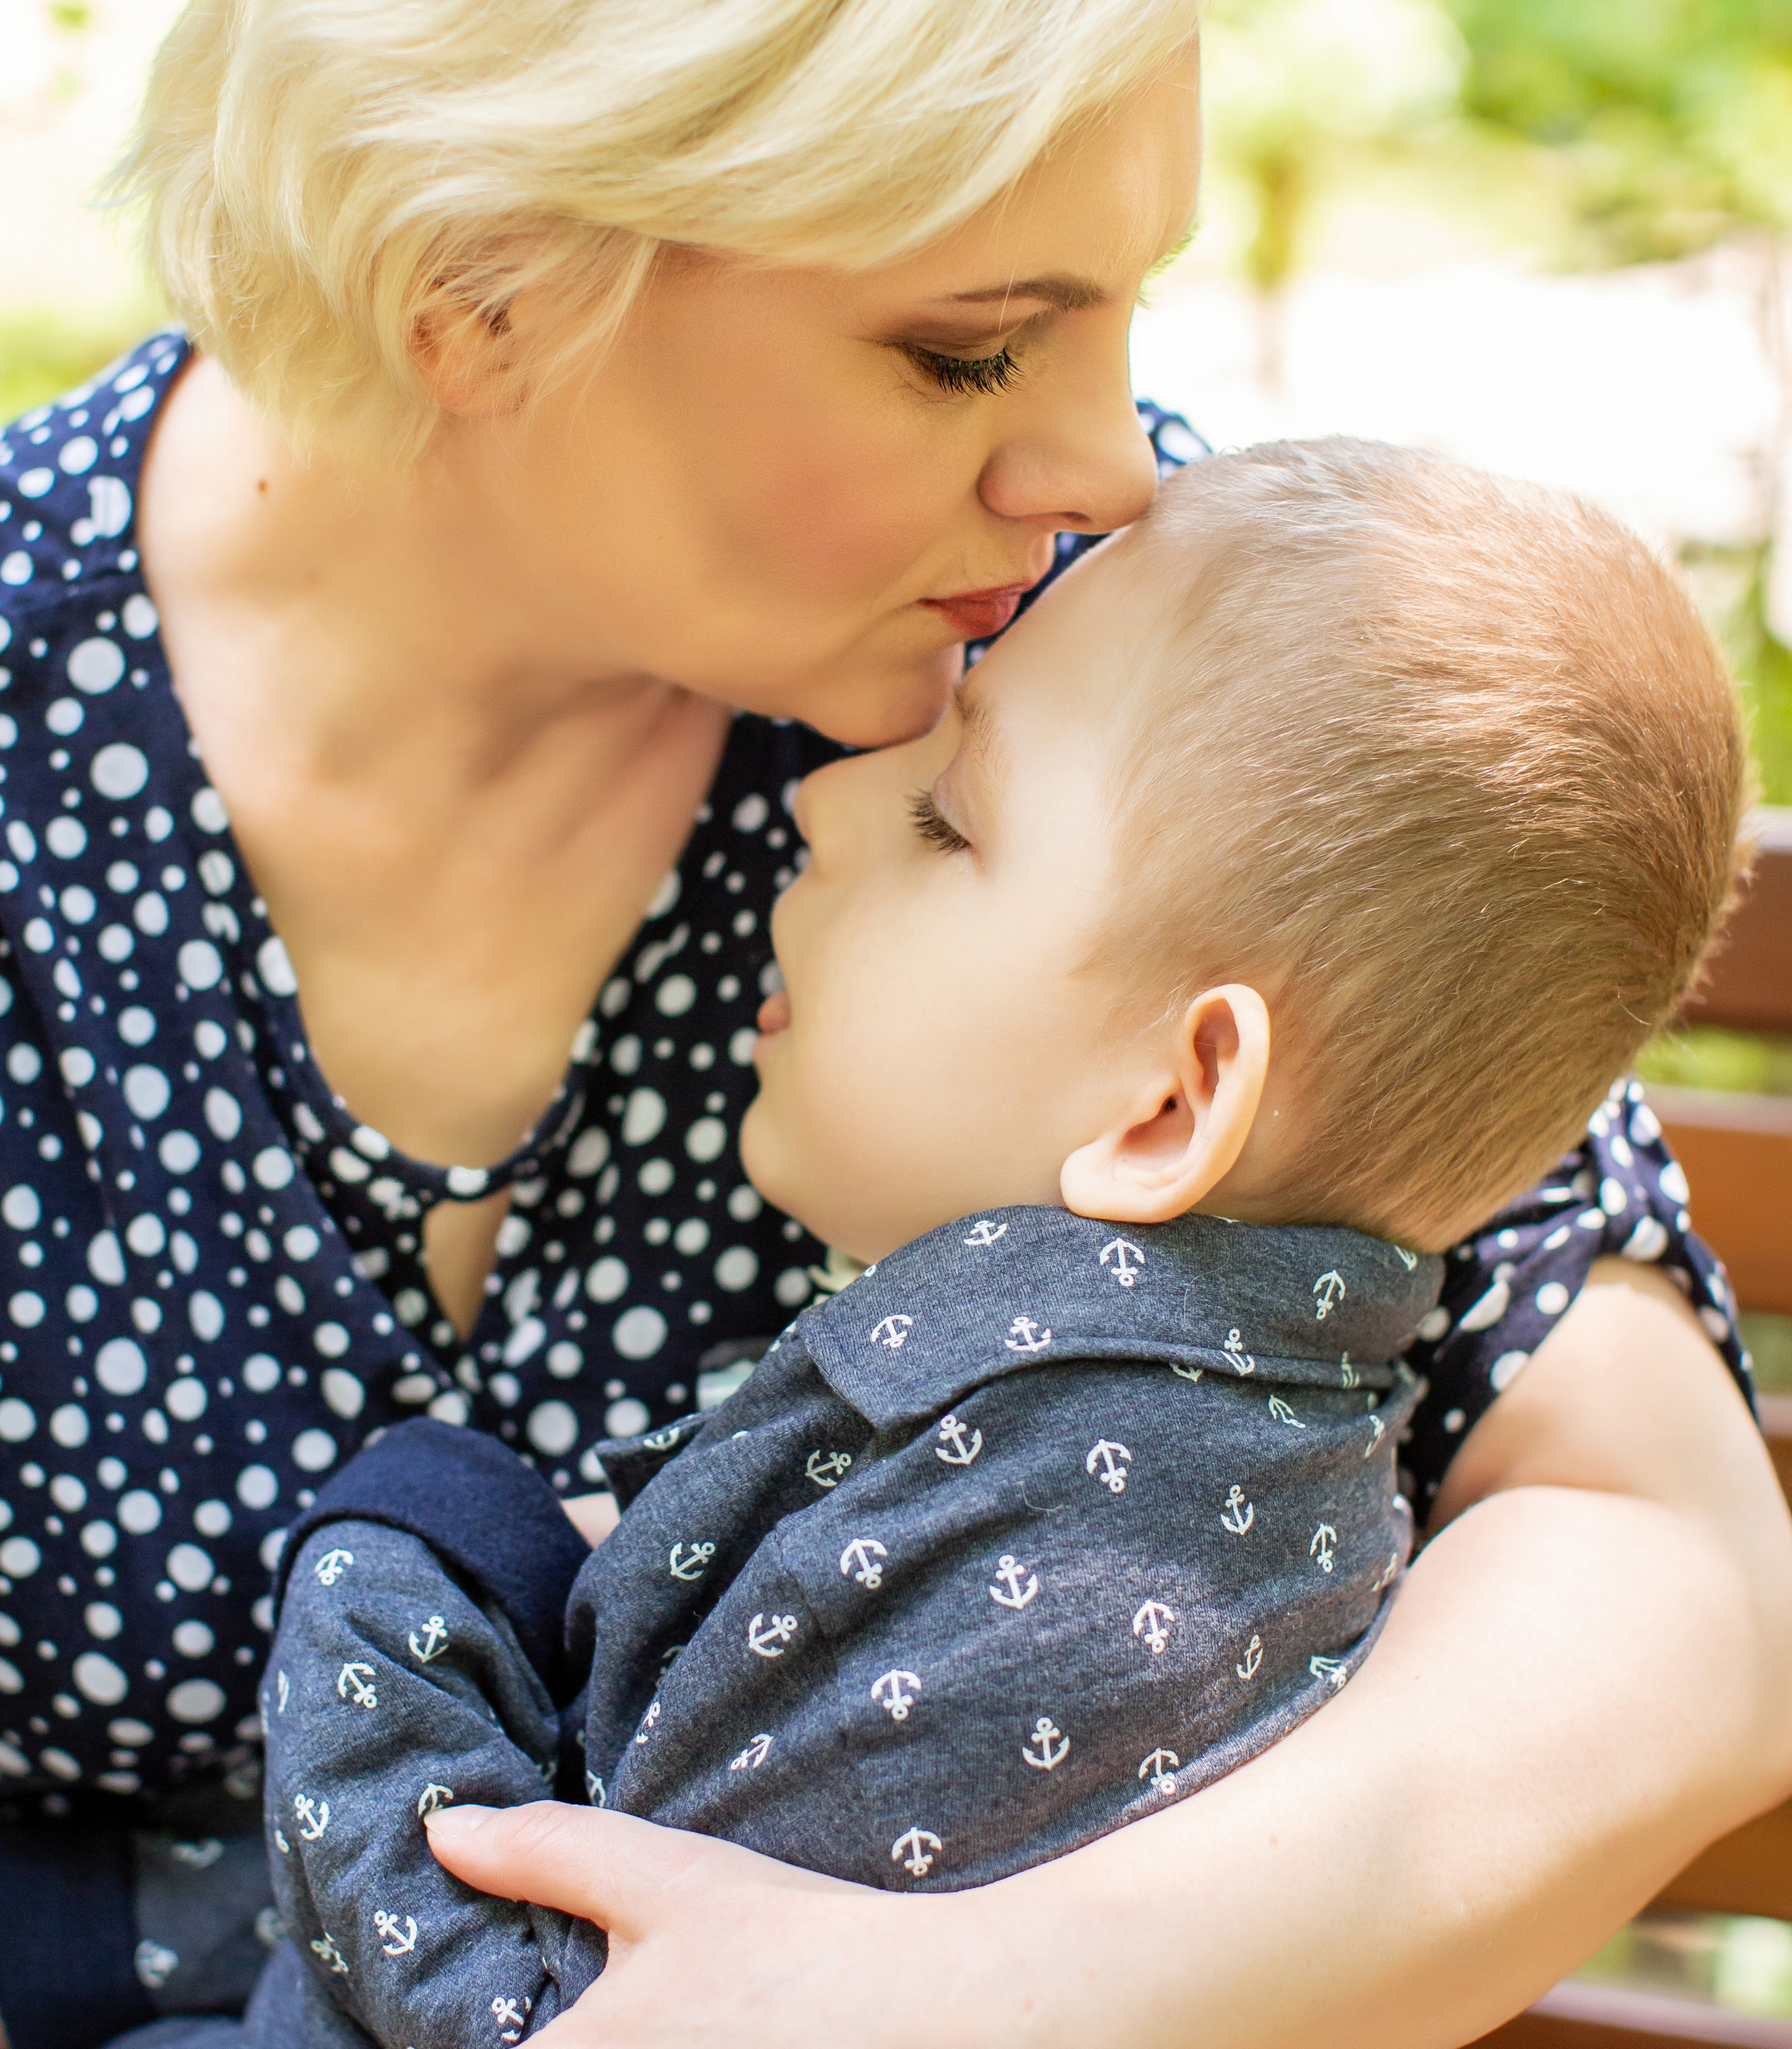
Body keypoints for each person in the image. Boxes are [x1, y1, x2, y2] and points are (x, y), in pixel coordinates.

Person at [0, 4, 1785, 2047]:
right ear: (474, 291)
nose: (1100, 455)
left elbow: (1669, 1568)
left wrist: (954, 2002)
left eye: (1120, 309)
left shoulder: (1097, 651)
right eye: (967, 346)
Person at [98, 436, 1742, 2049]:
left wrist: (404, 1559)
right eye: (959, 339)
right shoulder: (1194, 1390)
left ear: (1174, 1104)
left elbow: (544, 1979)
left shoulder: (1038, 1546)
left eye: (949, 819)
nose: (826, 793)